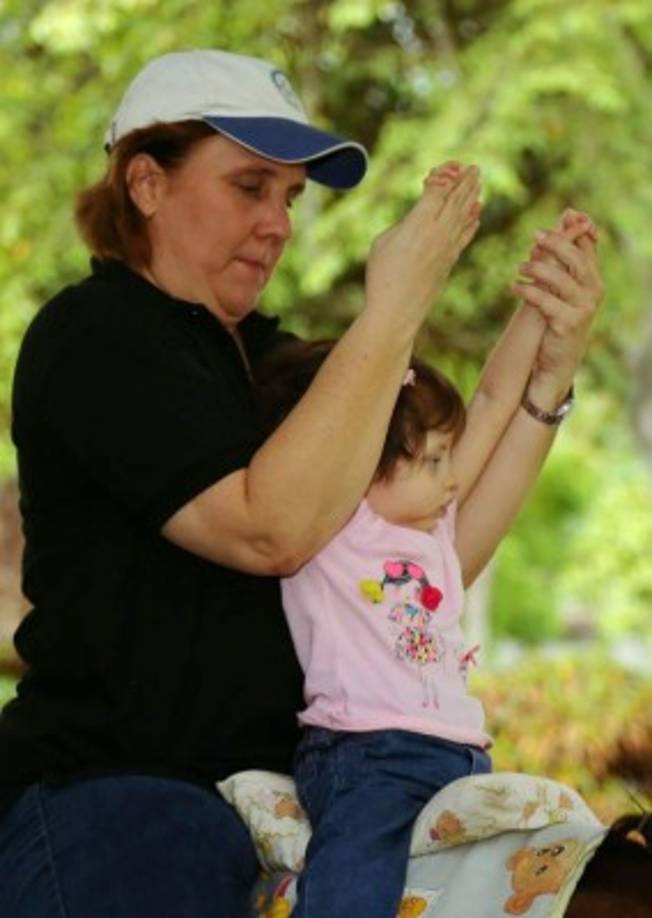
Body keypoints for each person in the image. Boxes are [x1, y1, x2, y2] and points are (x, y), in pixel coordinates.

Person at [0, 46, 601, 916]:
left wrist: (549, 376)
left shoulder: (287, 371)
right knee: (180, 832)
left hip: (295, 798)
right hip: (114, 799)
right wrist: (395, 308)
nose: (280, 222)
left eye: (290, 195)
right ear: (146, 183)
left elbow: (421, 563)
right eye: (250, 185)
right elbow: (268, 530)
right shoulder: (93, 335)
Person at [252, 208, 601, 917]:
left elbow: (500, 397)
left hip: (460, 753)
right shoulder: (339, 526)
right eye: (434, 456)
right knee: (356, 885)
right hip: (368, 755)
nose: (452, 476)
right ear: (367, 462)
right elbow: (350, 418)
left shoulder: (431, 529)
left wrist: (538, 307)